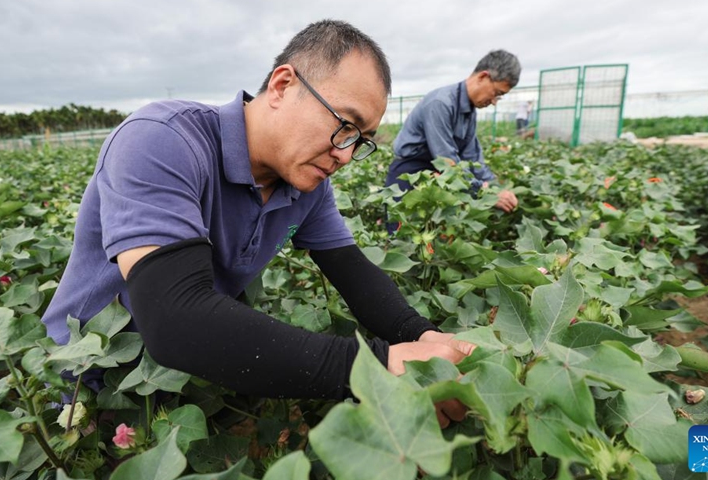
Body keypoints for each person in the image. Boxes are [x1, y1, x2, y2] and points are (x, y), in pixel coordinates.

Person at [41, 20, 472, 427]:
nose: (344, 155)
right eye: (345, 126)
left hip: (185, 381)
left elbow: (353, 272)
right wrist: (373, 367)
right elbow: (173, 317)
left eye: (359, 142)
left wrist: (424, 336)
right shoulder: (162, 139)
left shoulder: (306, 185)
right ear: (283, 85)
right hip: (82, 386)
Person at [384, 50, 521, 232]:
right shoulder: (441, 103)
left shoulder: (469, 111)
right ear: (483, 77)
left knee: (433, 235)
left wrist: (496, 187)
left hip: (435, 175)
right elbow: (446, 162)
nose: (495, 101)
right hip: (409, 173)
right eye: (496, 93)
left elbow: (473, 158)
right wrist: (486, 192)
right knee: (399, 234)